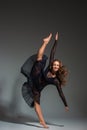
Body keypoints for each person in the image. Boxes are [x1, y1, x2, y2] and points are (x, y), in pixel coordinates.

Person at [21, 32, 69, 128]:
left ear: (59, 67)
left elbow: (61, 93)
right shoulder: (50, 67)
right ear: (52, 65)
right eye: (54, 64)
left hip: (37, 87)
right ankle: (45, 42)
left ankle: (42, 122)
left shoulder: (56, 81)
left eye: (57, 65)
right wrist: (55, 41)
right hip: (36, 75)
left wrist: (66, 105)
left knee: (36, 103)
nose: (55, 66)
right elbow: (52, 52)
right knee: (39, 60)